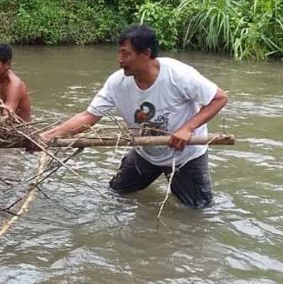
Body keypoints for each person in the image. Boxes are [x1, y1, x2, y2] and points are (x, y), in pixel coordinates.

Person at [40, 25, 228, 208]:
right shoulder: (117, 83)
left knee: (198, 211)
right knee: (116, 195)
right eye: (119, 53)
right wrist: (47, 137)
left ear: (145, 54)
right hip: (145, 152)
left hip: (185, 156)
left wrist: (188, 128)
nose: (120, 60)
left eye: (126, 54)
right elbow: (88, 116)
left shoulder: (179, 76)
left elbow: (219, 98)